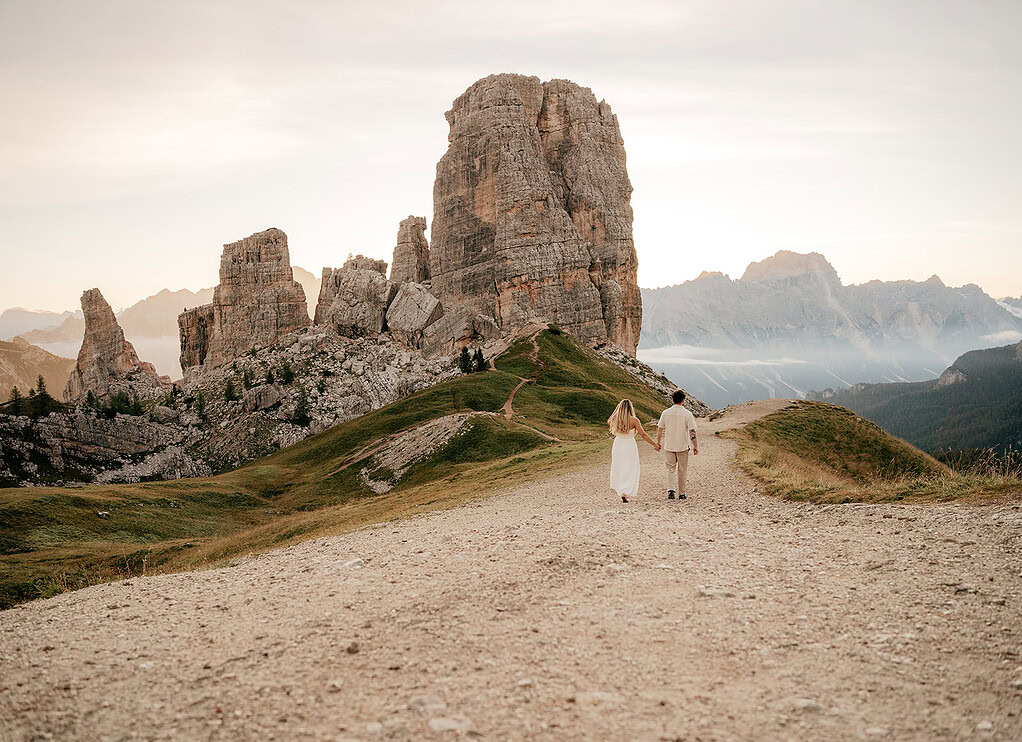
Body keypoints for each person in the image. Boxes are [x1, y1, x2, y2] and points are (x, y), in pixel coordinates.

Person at [608, 399, 660, 503]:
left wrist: (617, 408)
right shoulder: (634, 420)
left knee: (619, 467)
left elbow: (609, 420)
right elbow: (643, 434)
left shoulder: (615, 419)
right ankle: (625, 491)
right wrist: (655, 444)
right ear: (630, 408)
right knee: (629, 468)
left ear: (620, 408)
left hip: (618, 444)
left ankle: (621, 490)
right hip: (629, 444)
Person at [656, 389, 698, 500]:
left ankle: (671, 490)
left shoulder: (665, 413)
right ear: (683, 400)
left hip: (669, 445)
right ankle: (681, 493)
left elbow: (660, 429)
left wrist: (658, 442)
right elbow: (692, 431)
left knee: (670, 468)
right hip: (682, 446)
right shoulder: (687, 414)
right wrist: (695, 446)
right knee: (682, 469)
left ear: (672, 399)